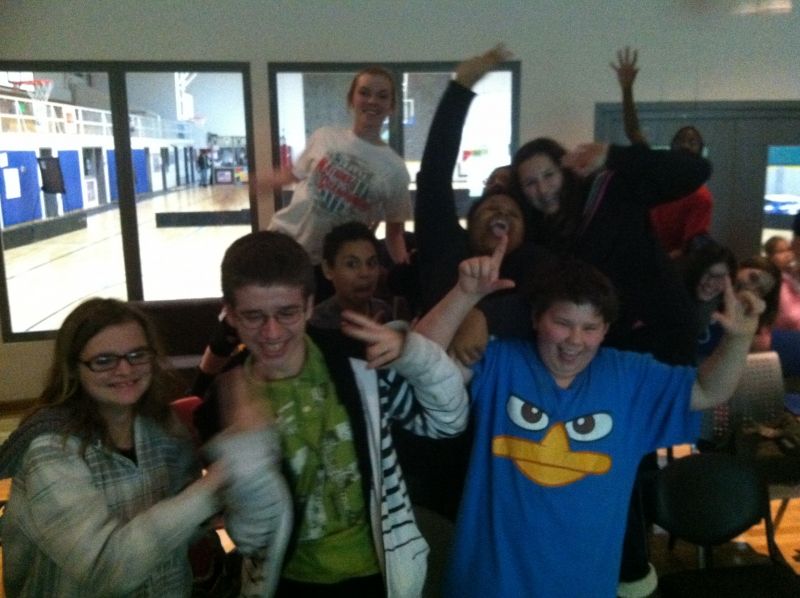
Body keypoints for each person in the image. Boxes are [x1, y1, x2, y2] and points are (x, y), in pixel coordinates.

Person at [413, 235, 764, 597]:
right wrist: (464, 297)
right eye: (562, 322)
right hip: (487, 585)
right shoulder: (501, 361)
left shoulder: (630, 377)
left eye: (590, 327)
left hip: (584, 586)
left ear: (606, 330)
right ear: (536, 319)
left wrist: (739, 339)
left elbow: (708, 390)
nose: (575, 340)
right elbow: (417, 363)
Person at [192, 230, 468, 597]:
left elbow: (448, 420)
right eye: (253, 316)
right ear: (230, 313)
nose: (271, 332)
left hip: (380, 576)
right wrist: (247, 457)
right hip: (288, 584)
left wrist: (412, 354)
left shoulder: (357, 362)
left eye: (287, 313)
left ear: (309, 305)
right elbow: (251, 539)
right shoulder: (223, 402)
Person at [0, 298, 289, 597]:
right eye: (104, 360)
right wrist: (220, 479)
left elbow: (187, 528)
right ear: (73, 369)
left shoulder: (164, 429)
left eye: (137, 355)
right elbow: (107, 569)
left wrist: (246, 483)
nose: (125, 369)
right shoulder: (50, 452)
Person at [267, 66, 412, 302]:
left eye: (382, 96)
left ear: (392, 106)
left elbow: (394, 233)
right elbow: (294, 174)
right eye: (364, 92)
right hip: (284, 245)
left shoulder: (395, 169)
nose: (372, 101)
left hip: (331, 267)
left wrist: (407, 273)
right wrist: (256, 183)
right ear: (351, 99)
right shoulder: (324, 136)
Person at [611, 46, 714, 258]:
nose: (686, 144)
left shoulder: (701, 196)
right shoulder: (655, 173)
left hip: (667, 264)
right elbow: (633, 131)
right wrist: (627, 89)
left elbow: (691, 246)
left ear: (700, 151)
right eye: (680, 140)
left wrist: (659, 262)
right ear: (671, 147)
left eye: (692, 141)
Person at [309, 221, 392, 330]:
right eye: (352, 264)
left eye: (371, 263)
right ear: (328, 269)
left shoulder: (383, 311)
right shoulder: (316, 323)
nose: (365, 273)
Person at [675, 240, 737, 363]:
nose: (710, 283)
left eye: (719, 277)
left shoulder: (726, 309)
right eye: (706, 274)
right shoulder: (674, 302)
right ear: (694, 272)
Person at [765, 234, 800, 331]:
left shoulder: (793, 274)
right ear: (770, 256)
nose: (788, 254)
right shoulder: (770, 278)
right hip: (781, 332)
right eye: (781, 251)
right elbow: (788, 316)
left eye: (789, 249)